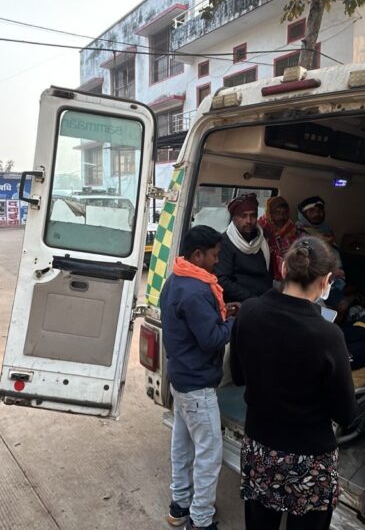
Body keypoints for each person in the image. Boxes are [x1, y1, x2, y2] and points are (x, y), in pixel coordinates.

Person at [230, 237, 358, 530]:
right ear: (326, 281)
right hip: (310, 459)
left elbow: (238, 376)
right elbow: (346, 414)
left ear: (283, 268)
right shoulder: (329, 336)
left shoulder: (248, 311)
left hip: (260, 448)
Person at [161, 225, 238, 530]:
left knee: (182, 444)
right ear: (197, 255)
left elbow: (196, 324)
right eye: (214, 255)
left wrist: (222, 313)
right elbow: (212, 339)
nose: (217, 261)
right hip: (198, 386)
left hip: (180, 378)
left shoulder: (177, 278)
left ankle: (179, 505)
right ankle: (201, 520)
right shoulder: (196, 290)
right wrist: (234, 321)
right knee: (209, 454)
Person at [216, 193, 271, 302]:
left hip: (265, 298)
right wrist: (253, 299)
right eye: (243, 216)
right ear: (234, 218)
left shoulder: (261, 238)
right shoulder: (225, 242)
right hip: (241, 301)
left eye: (253, 215)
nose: (249, 221)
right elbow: (222, 281)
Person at [296, 196, 346, 305]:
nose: (316, 214)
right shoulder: (297, 232)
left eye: (319, 211)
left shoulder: (327, 231)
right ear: (304, 214)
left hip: (334, 281)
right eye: (311, 211)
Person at [257, 195, 298, 281]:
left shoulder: (293, 229)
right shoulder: (260, 230)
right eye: (277, 212)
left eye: (285, 213)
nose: (282, 216)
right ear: (270, 213)